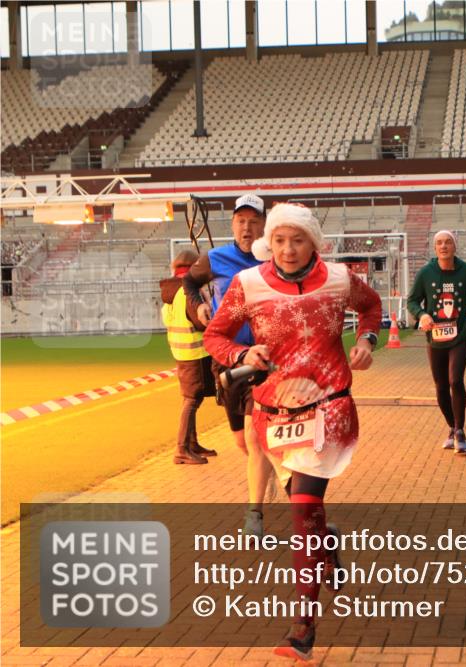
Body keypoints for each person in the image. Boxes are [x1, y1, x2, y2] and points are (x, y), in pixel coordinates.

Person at [203, 203, 382, 662]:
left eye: (297, 239)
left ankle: (303, 625)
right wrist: (242, 356)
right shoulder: (248, 284)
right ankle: (329, 547)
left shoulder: (341, 279)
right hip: (274, 415)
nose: (287, 249)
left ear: (313, 243)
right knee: (308, 511)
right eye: (279, 240)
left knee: (303, 511)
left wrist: (366, 340)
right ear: (269, 241)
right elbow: (215, 337)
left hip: (330, 406)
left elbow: (371, 307)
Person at [183, 193, 273, 536]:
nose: (247, 228)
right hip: (227, 361)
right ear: (233, 224)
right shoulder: (215, 258)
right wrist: (198, 306)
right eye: (241, 221)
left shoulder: (274, 258)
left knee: (254, 436)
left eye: (253, 221)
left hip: (264, 358)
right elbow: (188, 281)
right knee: (241, 441)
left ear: (264, 225)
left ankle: (255, 514)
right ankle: (265, 474)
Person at [407, 230, 466, 455]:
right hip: (436, 337)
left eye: (448, 242)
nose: (443, 246)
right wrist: (422, 314)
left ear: (454, 246)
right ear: (435, 249)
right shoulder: (426, 273)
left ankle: (460, 431)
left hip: (460, 334)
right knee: (441, 386)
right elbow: (412, 300)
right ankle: (452, 427)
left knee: (455, 379)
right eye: (439, 243)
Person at [159, 249, 216, 465]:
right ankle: (182, 448)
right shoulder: (189, 292)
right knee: (192, 400)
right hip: (196, 353)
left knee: (193, 398)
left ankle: (191, 443)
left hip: (181, 352)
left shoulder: (169, 294)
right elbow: (203, 322)